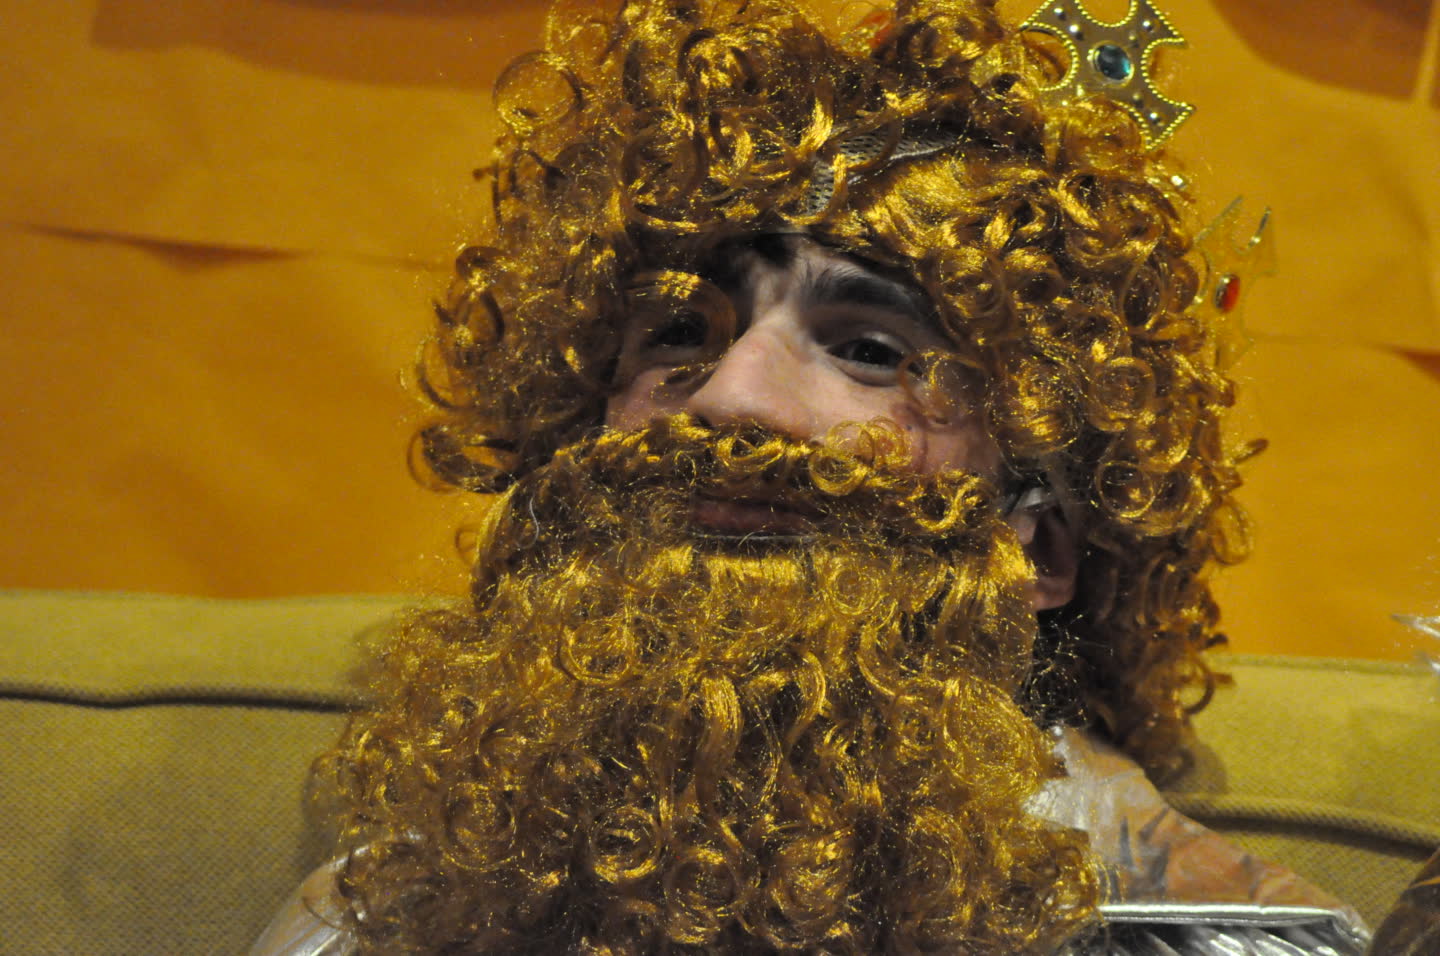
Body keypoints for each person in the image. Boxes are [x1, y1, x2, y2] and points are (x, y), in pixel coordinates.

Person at [253, 0, 1372, 952]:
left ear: (1036, 544)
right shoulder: (383, 916)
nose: (733, 396)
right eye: (677, 331)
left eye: (871, 350)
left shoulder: (1208, 933)